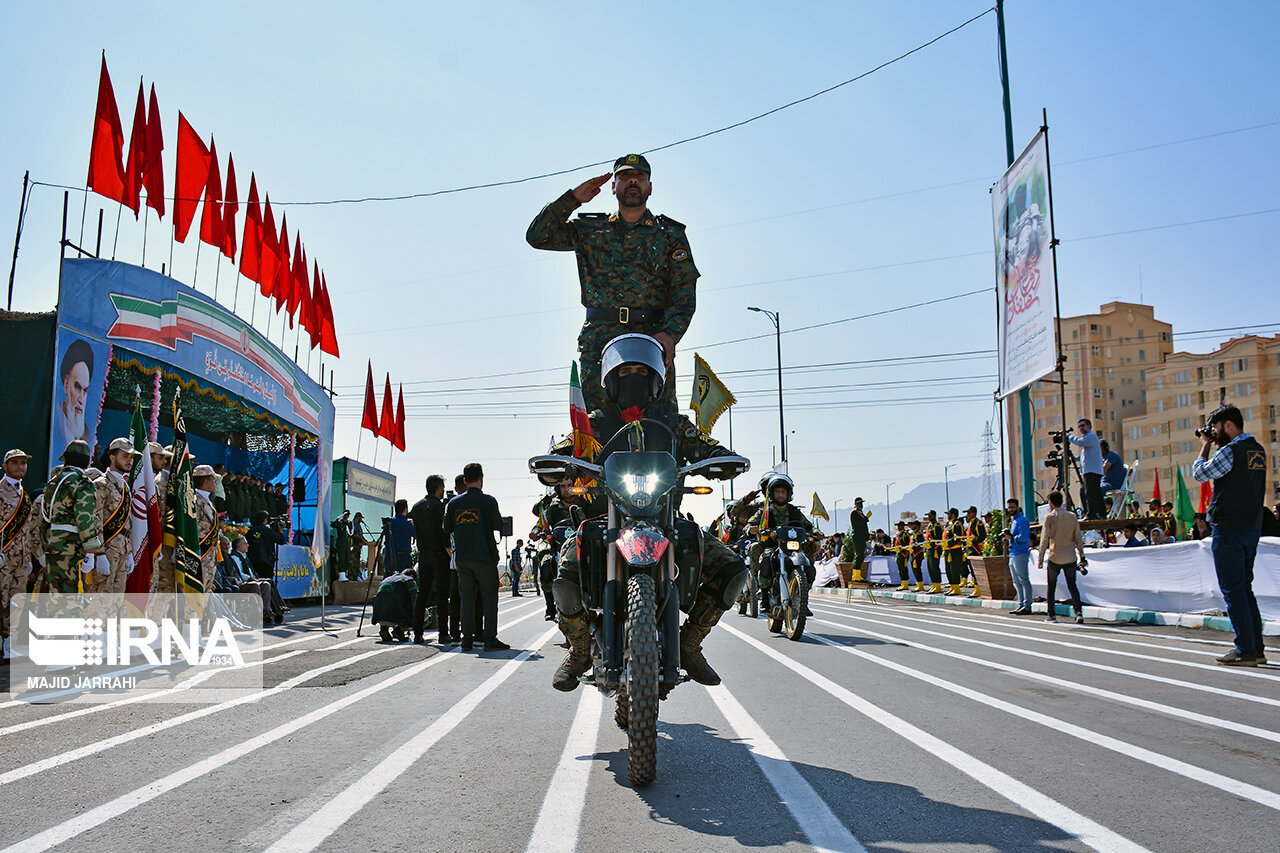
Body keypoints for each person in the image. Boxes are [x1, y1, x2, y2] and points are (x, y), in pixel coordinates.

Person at [544, 334, 745, 690]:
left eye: (640, 370)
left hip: (665, 518)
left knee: (731, 569)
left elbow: (705, 446)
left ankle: (689, 643)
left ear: (654, 379)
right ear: (611, 380)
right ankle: (577, 649)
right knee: (564, 573)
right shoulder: (592, 424)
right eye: (624, 372)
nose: (632, 377)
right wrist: (554, 464)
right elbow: (565, 448)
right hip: (605, 519)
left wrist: (723, 459)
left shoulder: (672, 421)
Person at [526, 154, 698, 414]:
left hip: (652, 338)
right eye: (625, 177)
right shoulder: (591, 230)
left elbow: (684, 289)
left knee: (658, 420)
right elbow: (538, 236)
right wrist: (572, 199)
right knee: (597, 422)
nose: (633, 182)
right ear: (613, 186)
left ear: (650, 187)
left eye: (640, 177)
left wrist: (670, 334)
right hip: (600, 339)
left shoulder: (669, 235)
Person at [1192, 403, 1267, 666]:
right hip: (1250, 528)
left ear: (1229, 426)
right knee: (1245, 589)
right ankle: (1256, 648)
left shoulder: (1231, 451)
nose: (1213, 433)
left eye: (1215, 428)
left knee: (1233, 591)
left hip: (1229, 529)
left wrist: (1204, 446)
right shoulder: (1258, 451)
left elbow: (1200, 473)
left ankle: (1245, 649)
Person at [444, 463, 509, 652]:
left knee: (467, 599)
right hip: (484, 558)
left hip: (463, 558)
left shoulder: (453, 504)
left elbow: (446, 529)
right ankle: (489, 639)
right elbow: (498, 525)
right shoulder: (488, 501)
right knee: (489, 599)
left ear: (464, 481)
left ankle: (466, 641)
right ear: (482, 478)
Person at [36, 440, 103, 593]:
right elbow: (84, 518)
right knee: (70, 603)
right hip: (72, 547)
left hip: (53, 543)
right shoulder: (82, 482)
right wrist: (91, 550)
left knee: (55, 597)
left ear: (65, 459)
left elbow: (45, 517)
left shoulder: (54, 481)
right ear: (87, 463)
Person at [746, 474, 815, 613]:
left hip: (793, 547)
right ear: (772, 493)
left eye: (783, 492)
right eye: (777, 491)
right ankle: (764, 596)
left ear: (788, 494)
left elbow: (809, 526)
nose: (780, 494)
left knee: (809, 565)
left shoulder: (795, 511)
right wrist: (751, 529)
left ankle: (803, 599)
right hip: (772, 546)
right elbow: (750, 524)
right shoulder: (765, 511)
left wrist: (816, 532)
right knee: (766, 560)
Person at [87, 437, 136, 594]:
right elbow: (94, 520)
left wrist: (128, 553)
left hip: (121, 552)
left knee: (115, 604)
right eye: (124, 456)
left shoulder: (125, 487)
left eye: (131, 457)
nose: (129, 460)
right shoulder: (101, 484)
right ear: (112, 458)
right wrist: (99, 553)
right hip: (105, 551)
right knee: (98, 603)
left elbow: (126, 523)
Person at [531, 482, 586, 622]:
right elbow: (539, 516)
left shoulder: (585, 502)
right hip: (557, 547)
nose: (567, 489)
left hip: (583, 546)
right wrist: (536, 532)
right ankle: (550, 608)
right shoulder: (553, 507)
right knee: (545, 564)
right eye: (562, 486)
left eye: (570, 485)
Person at [1, 449, 36, 661]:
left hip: (21, 560)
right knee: (2, 599)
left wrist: (30, 557)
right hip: (4, 558)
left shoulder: (25, 495)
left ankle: (9, 644)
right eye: (15, 463)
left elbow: (29, 529)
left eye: (23, 463)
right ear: (5, 466)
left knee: (17, 601)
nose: (20, 466)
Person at [410, 475, 451, 645]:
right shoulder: (440, 508)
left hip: (423, 555)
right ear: (438, 488)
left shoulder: (417, 507)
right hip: (439, 555)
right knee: (442, 595)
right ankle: (443, 633)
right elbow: (444, 533)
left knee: (422, 595)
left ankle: (418, 633)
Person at [1037, 491, 1088, 624]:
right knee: (1072, 585)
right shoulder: (1072, 516)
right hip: (1070, 556)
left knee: (1051, 587)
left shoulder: (1049, 517)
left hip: (1055, 556)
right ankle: (1078, 613)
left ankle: (1051, 615)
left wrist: (1040, 558)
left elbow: (1044, 539)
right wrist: (1082, 555)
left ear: (1051, 503)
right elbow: (1078, 537)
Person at [222, 535, 283, 624]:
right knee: (255, 585)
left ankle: (267, 611)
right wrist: (250, 578)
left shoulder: (244, 557)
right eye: (245, 544)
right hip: (241, 582)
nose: (248, 545)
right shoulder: (235, 557)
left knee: (266, 584)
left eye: (228, 544)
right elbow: (238, 574)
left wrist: (255, 578)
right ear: (238, 546)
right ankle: (258, 612)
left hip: (248, 580)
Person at [55, 340, 95, 448]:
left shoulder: (85, 432)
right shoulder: (55, 419)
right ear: (66, 383)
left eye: (85, 390)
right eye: (77, 387)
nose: (81, 399)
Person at [192, 465, 222, 593]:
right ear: (206, 481)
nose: (215, 483)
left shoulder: (207, 500)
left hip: (209, 557)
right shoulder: (194, 500)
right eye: (213, 479)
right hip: (200, 554)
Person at [1067, 418, 1105, 519]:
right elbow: (1086, 455)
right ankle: (1101, 514)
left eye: (1083, 425)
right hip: (1093, 470)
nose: (1081, 428)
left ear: (1089, 426)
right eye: (1079, 426)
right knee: (1096, 494)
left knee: (1090, 494)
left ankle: (1091, 514)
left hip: (1091, 471)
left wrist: (1068, 437)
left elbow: (1079, 442)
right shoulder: (1088, 438)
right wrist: (1075, 459)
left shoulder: (1090, 436)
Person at [372, 566, 417, 643]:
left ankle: (384, 629)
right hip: (395, 618)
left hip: (378, 616)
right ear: (412, 576)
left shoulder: (386, 579)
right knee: (423, 612)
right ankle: (400, 630)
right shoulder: (409, 580)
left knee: (388, 602)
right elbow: (415, 600)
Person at [1003, 498, 1032, 614]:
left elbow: (1023, 538)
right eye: (1009, 507)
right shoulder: (1014, 521)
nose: (1010, 510)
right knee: (1016, 581)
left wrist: (1011, 538)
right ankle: (1021, 604)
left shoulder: (1023, 520)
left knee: (1023, 580)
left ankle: (1027, 605)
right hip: (1013, 553)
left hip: (1021, 553)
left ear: (1018, 507)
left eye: (1012, 507)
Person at [840, 497, 870, 581]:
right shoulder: (854, 512)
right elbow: (857, 524)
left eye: (861, 503)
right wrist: (865, 519)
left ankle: (858, 573)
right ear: (856, 503)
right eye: (859, 503)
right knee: (858, 555)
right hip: (858, 536)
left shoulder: (860, 512)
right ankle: (855, 575)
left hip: (861, 536)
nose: (861, 504)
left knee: (861, 555)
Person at [942, 508, 968, 595]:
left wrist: (948, 542)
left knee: (954, 569)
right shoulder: (949, 524)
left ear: (953, 514)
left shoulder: (956, 524)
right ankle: (952, 586)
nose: (947, 516)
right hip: (948, 550)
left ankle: (956, 588)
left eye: (949, 514)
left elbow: (957, 537)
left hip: (954, 550)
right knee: (948, 570)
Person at [386, 499, 415, 577]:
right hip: (403, 557)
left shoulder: (390, 522)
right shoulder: (406, 523)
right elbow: (415, 534)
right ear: (405, 509)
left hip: (390, 556)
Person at [963, 506, 987, 596]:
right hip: (970, 549)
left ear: (974, 513)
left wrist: (973, 542)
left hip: (976, 549)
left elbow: (982, 536)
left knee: (976, 570)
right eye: (967, 513)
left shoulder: (978, 523)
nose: (968, 515)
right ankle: (976, 588)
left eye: (969, 513)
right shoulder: (970, 523)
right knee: (972, 570)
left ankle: (978, 589)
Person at [922, 510, 944, 594]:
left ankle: (938, 585)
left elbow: (939, 538)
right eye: (928, 516)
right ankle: (934, 584)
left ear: (934, 516)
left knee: (935, 567)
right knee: (930, 568)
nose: (929, 517)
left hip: (935, 549)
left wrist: (932, 542)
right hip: (929, 549)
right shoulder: (929, 525)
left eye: (930, 516)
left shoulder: (937, 526)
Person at [905, 514, 926, 592]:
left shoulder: (919, 534)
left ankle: (920, 585)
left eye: (913, 524)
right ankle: (918, 584)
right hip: (913, 554)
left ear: (917, 525)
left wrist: (913, 548)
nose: (911, 526)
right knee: (915, 569)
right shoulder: (913, 534)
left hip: (917, 554)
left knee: (917, 569)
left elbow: (920, 544)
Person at [891, 520, 910, 590]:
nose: (898, 527)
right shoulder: (898, 534)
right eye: (898, 526)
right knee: (900, 569)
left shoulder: (905, 534)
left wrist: (901, 549)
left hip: (903, 554)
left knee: (904, 569)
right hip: (899, 554)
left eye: (900, 526)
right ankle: (903, 583)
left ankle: (905, 584)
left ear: (903, 526)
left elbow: (907, 545)